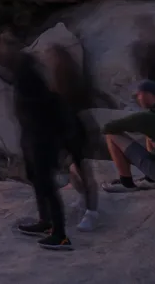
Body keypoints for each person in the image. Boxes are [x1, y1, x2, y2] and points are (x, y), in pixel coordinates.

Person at [5, 39, 77, 251]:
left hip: (43, 142)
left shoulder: (34, 87)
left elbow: (44, 118)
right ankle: (46, 221)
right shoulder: (25, 84)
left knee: (47, 185)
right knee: (37, 181)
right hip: (32, 140)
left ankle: (61, 235)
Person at [43, 46, 99, 232]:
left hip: (78, 126)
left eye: (51, 57)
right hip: (67, 127)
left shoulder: (71, 82)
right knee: (73, 168)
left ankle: (92, 212)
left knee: (82, 169)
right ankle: (84, 200)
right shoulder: (55, 82)